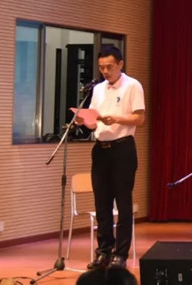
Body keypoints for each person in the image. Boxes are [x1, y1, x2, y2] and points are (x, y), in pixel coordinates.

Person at [74, 46, 145, 270]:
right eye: (101, 67)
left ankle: (120, 254)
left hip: (122, 149)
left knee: (123, 204)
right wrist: (84, 121)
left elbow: (139, 119)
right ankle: (103, 251)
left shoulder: (132, 85)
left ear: (120, 64)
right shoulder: (98, 89)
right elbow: (94, 121)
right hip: (100, 149)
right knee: (101, 203)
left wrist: (117, 119)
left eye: (109, 67)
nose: (105, 71)